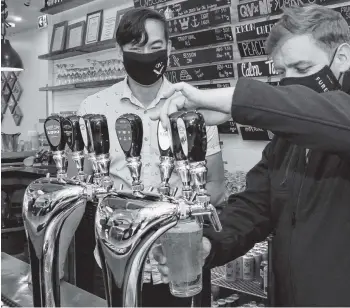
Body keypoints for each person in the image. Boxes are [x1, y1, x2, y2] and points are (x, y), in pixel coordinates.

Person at [151, 4, 350, 307]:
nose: (290, 82)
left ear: (342, 58)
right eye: (282, 72)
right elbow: (254, 207)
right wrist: (210, 243)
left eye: (302, 69)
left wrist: (235, 100)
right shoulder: (287, 143)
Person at [61, 7, 227, 307]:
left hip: (180, 263)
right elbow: (77, 186)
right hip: (116, 259)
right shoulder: (94, 107)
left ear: (170, 47)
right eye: (136, 48)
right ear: (120, 51)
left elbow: (216, 185)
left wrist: (179, 217)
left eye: (156, 47)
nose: (147, 55)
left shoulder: (193, 106)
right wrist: (56, 256)